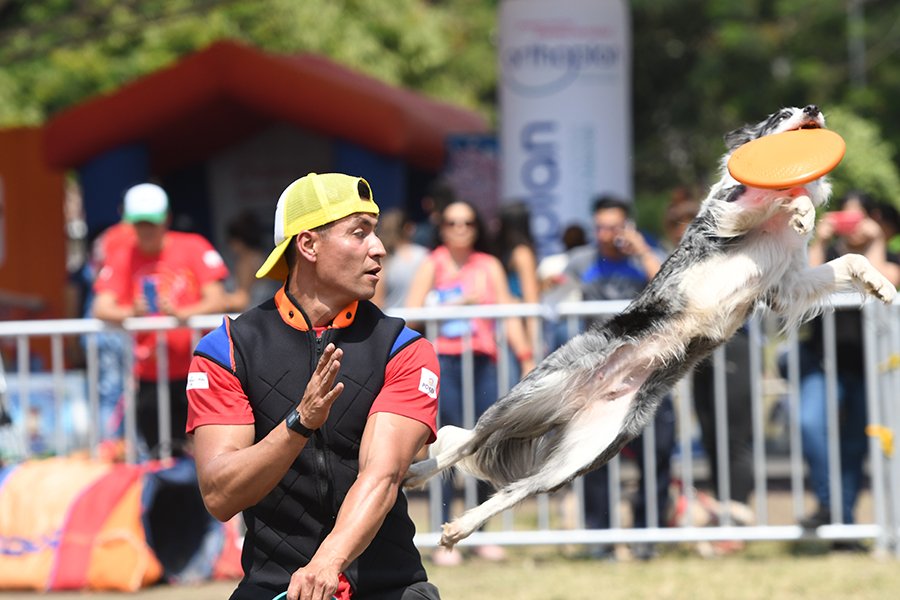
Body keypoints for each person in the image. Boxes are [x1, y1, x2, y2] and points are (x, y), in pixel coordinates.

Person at [185, 173, 441, 600]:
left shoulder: (405, 349)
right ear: (308, 245)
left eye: (375, 233)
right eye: (359, 233)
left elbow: (382, 475)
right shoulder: (226, 349)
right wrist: (297, 424)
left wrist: (328, 561)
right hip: (273, 589)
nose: (378, 248)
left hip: (388, 588)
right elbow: (219, 493)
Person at [405, 199, 535, 566]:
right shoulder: (432, 264)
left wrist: (525, 356)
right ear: (442, 227)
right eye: (451, 222)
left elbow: (509, 315)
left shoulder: (489, 265)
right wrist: (457, 304)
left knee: (482, 445)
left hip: (483, 363)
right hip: (444, 362)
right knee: (441, 447)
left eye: (467, 222)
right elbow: (412, 316)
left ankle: (479, 533)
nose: (460, 228)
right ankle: (440, 534)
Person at [565, 195, 674, 560]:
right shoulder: (582, 261)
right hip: (598, 378)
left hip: (649, 376)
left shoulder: (646, 254)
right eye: (600, 227)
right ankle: (601, 537)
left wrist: (643, 251)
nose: (605, 234)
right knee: (593, 458)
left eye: (613, 226)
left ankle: (648, 537)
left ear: (627, 226)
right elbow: (554, 289)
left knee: (655, 456)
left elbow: (671, 290)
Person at [92, 182, 229, 457]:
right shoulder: (123, 255)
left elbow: (219, 298)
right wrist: (131, 311)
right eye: (139, 223)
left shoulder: (192, 246)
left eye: (151, 223)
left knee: (205, 453)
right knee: (160, 456)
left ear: (165, 219)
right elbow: (101, 307)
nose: (145, 230)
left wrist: (182, 314)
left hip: (200, 369)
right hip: (151, 375)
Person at [799, 190, 900, 541]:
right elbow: (807, 284)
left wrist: (873, 243)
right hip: (821, 361)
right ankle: (831, 505)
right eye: (847, 219)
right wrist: (819, 238)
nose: (853, 227)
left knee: (855, 447)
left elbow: (883, 282)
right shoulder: (827, 255)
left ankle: (844, 526)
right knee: (809, 425)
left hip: (868, 368)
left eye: (861, 220)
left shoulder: (889, 255)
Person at [663, 192, 754, 552]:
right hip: (700, 351)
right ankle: (724, 519)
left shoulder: (731, 254)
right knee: (713, 437)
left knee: (733, 438)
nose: (681, 232)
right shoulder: (679, 260)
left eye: (687, 224)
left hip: (732, 346)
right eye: (675, 226)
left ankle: (735, 520)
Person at [491, 201, 541, 385]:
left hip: (517, 329)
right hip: (515, 328)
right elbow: (531, 299)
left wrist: (533, 343)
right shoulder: (521, 252)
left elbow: (530, 299)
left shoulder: (518, 253)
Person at [371, 208, 429, 311]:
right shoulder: (422, 256)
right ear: (409, 228)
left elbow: (377, 302)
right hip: (406, 323)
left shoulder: (379, 258)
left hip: (384, 322)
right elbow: (415, 308)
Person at [223, 210, 280, 313]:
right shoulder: (260, 256)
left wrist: (216, 301)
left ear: (238, 241)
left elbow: (242, 300)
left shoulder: (246, 262)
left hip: (254, 316)